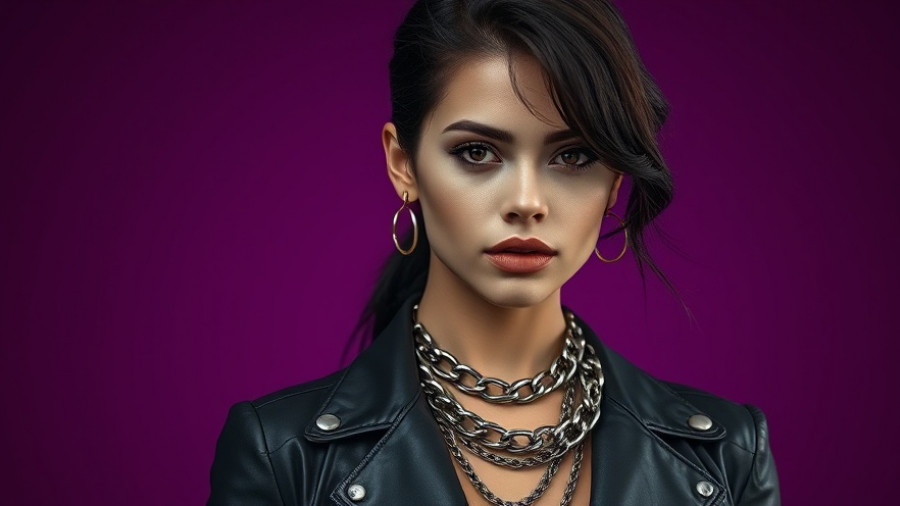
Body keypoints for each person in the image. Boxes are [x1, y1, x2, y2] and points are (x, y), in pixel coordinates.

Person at [208, 0, 781, 504]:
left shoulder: (728, 454)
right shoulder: (280, 456)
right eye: (478, 151)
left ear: (614, 182)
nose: (526, 202)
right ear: (402, 163)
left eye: (574, 156)